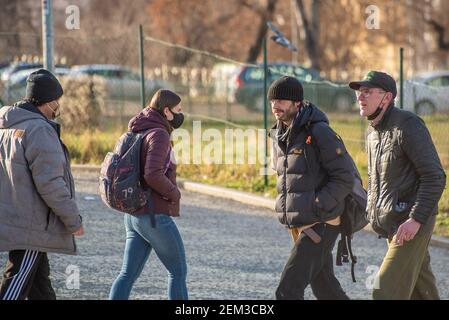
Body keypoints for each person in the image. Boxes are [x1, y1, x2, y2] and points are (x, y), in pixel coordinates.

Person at [349, 70, 446, 300]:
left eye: (367, 92)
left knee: (384, 292)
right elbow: (377, 181)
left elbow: (435, 176)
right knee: (422, 294)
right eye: (358, 92)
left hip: (411, 223)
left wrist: (416, 220)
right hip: (392, 224)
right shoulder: (372, 132)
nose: (360, 97)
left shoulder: (408, 125)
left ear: (387, 97)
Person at [0, 69, 84, 300]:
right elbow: (51, 183)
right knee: (16, 280)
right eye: (57, 99)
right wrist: (72, 220)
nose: (58, 105)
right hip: (32, 223)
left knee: (40, 286)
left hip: (15, 217)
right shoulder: (39, 130)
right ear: (47, 101)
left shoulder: (7, 127)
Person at [269, 76, 355, 300]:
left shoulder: (319, 132)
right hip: (300, 223)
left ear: (297, 103)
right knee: (326, 289)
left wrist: (318, 204)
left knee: (287, 291)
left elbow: (344, 176)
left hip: (321, 222)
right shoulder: (278, 134)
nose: (275, 105)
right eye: (272, 100)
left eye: (282, 100)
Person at [109, 89, 187, 300]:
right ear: (167, 111)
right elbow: (152, 174)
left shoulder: (139, 129)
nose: (181, 114)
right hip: (154, 215)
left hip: (133, 215)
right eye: (179, 110)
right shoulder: (159, 134)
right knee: (178, 273)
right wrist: (175, 194)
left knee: (126, 275)